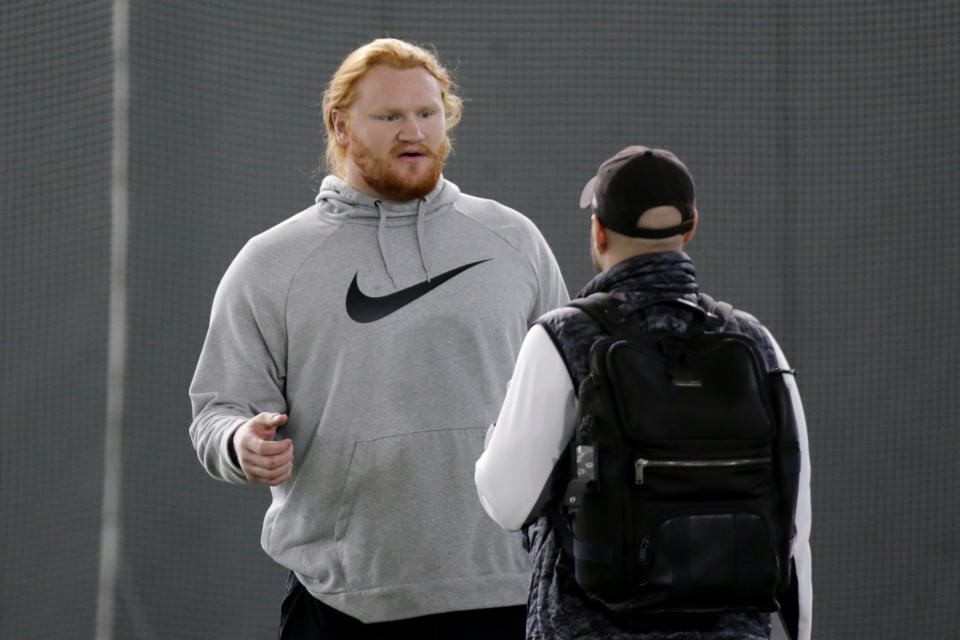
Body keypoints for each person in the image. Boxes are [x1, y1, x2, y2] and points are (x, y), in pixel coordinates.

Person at [189, 37, 568, 639]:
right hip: (341, 605)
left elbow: (571, 398)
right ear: (341, 125)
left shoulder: (514, 241)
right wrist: (240, 442)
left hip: (509, 593)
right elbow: (218, 409)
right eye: (389, 116)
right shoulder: (271, 262)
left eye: (427, 112)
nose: (412, 130)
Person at [475, 145, 812, 640]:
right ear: (690, 228)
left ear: (599, 231)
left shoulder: (565, 337)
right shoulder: (755, 342)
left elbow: (506, 503)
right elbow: (794, 527)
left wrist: (496, 433)